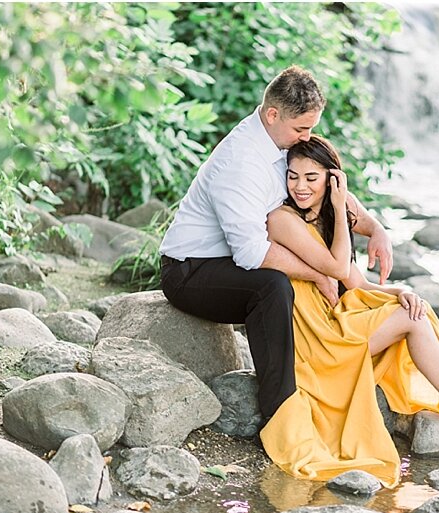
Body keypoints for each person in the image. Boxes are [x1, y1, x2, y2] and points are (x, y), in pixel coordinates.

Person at [260, 134, 439, 486]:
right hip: (316, 340)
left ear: (331, 179)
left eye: (311, 178)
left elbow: (358, 285)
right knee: (413, 319)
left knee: (417, 310)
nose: (299, 186)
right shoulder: (282, 219)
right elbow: (337, 266)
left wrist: (401, 290)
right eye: (293, 176)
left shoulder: (325, 215)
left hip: (335, 322)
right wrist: (343, 207)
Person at [158, 66, 393, 424]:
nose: (307, 137)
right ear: (272, 114)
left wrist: (374, 228)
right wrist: (318, 274)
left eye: (311, 128)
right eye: (302, 128)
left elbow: (321, 187)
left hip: (228, 261)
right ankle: (280, 413)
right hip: (191, 271)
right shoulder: (241, 162)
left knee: (323, 269)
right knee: (273, 286)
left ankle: (346, 383)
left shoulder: (281, 141)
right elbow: (251, 254)